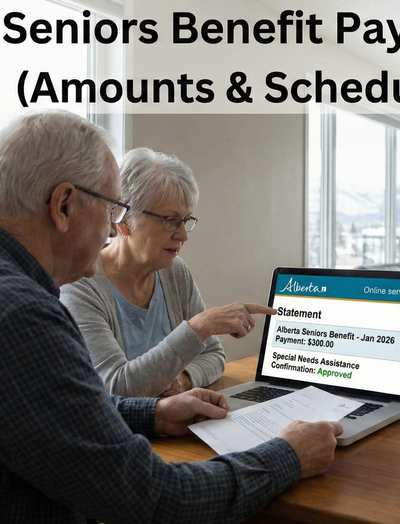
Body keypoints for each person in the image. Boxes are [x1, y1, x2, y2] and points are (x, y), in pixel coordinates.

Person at [0, 109, 342, 524]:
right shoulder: (14, 314)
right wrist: (287, 456)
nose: (111, 228)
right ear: (62, 205)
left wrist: (153, 414)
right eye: (110, 208)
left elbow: (49, 414)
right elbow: (151, 499)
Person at [61, 148, 265, 398]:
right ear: (124, 220)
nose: (183, 235)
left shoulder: (175, 273)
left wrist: (182, 379)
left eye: (186, 220)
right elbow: (115, 386)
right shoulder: (80, 285)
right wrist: (198, 327)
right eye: (170, 220)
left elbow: (213, 356)